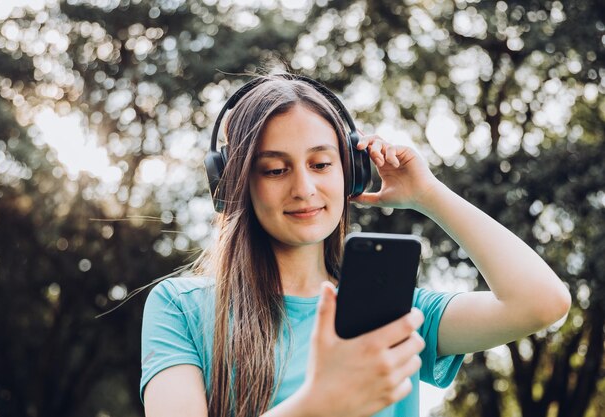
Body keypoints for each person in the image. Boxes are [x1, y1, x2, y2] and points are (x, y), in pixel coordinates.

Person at [140, 74, 571, 417]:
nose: (304, 188)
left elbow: (542, 301)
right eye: (274, 170)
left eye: (321, 164)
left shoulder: (395, 314)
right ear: (233, 184)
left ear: (352, 171)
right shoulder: (182, 307)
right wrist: (323, 401)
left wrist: (428, 195)